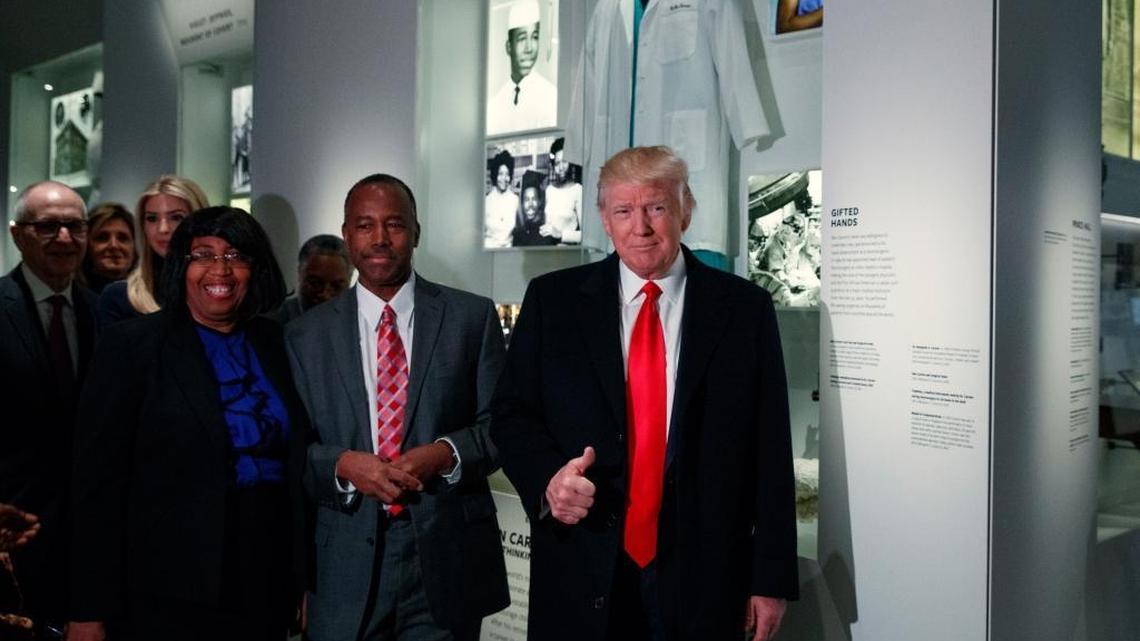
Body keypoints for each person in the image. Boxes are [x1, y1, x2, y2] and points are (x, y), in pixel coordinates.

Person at [491, 146, 799, 641]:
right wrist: (548, 479)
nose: (642, 227)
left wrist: (772, 578)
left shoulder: (744, 310)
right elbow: (510, 416)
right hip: (583, 563)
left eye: (656, 207)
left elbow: (771, 449)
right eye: (624, 211)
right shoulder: (553, 302)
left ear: (685, 209)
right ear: (603, 220)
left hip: (706, 576)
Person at [285, 174, 508, 641]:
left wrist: (446, 453)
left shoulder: (471, 318)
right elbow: (290, 450)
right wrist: (343, 465)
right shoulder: (305, 335)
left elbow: (502, 427)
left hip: (445, 558)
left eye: (395, 224)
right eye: (365, 225)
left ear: (417, 232)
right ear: (347, 235)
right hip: (342, 560)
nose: (380, 239)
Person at [67, 207, 307, 641]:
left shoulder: (281, 346)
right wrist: (87, 609)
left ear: (256, 267)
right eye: (203, 254)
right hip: (163, 592)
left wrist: (305, 577)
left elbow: (299, 469)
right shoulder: (132, 347)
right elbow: (94, 487)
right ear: (182, 266)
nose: (220, 269)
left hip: (264, 584)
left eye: (235, 255)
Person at [1, 181, 96, 640]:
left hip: (87, 544)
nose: (64, 238)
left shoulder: (104, 317)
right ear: (18, 234)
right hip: (12, 537)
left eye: (75, 226)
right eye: (49, 226)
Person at [96, 174, 208, 327]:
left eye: (176, 217)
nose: (163, 229)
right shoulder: (120, 297)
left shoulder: (222, 289)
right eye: (152, 219)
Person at [486, 0, 557, 135]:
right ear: (509, 47)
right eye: (522, 38)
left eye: (534, 37)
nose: (529, 48)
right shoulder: (495, 105)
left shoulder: (550, 97)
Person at [276, 234, 354, 324]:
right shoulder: (272, 324)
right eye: (315, 284)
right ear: (299, 274)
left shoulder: (361, 324)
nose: (325, 295)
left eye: (336, 287)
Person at [80, 203, 136, 293]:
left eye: (122, 238)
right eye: (102, 238)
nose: (114, 245)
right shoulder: (72, 296)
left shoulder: (151, 297)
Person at [542, 137, 582, 245]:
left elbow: (585, 236)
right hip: (547, 252)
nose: (561, 167)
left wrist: (560, 234)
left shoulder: (577, 190)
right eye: (557, 163)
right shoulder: (549, 190)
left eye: (564, 162)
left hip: (567, 254)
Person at [511, 171, 556, 247]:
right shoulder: (516, 234)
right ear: (522, 203)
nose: (530, 204)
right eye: (526, 199)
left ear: (539, 202)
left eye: (534, 198)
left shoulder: (545, 233)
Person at [485, 150, 518, 249]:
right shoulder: (487, 201)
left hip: (509, 251)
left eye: (507, 174)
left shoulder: (515, 200)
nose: (504, 178)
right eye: (500, 174)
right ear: (495, 175)